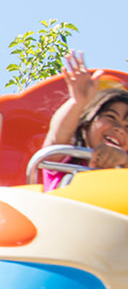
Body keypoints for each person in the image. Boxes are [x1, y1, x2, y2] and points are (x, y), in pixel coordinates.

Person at [41, 51, 128, 190]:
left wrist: (123, 161)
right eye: (111, 117)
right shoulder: (63, 160)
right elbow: (57, 137)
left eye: (127, 127)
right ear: (87, 123)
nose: (119, 129)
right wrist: (77, 103)